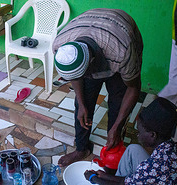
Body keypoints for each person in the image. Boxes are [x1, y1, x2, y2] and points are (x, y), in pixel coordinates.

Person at [52, 8, 143, 167]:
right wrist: (81, 103)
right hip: (90, 29)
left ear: (92, 62)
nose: (82, 78)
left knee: (118, 104)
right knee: (83, 105)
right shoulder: (61, 47)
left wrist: (117, 126)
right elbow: (76, 76)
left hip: (119, 30)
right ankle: (82, 149)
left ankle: (113, 151)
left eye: (83, 74)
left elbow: (134, 88)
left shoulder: (122, 51)